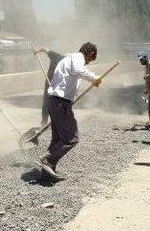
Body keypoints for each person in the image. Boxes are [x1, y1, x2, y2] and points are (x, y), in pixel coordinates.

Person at [35, 42, 102, 180]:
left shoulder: (68, 58)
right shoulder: (78, 58)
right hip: (60, 102)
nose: (88, 63)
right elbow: (78, 71)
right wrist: (94, 77)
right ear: (89, 54)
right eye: (90, 59)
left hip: (54, 101)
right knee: (72, 138)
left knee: (57, 139)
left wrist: (91, 81)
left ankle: (47, 174)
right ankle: (45, 160)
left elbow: (72, 75)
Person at [32, 47, 64, 126]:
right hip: (49, 83)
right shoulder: (56, 56)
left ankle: (58, 121)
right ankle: (44, 121)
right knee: (46, 101)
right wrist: (37, 51)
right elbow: (44, 49)